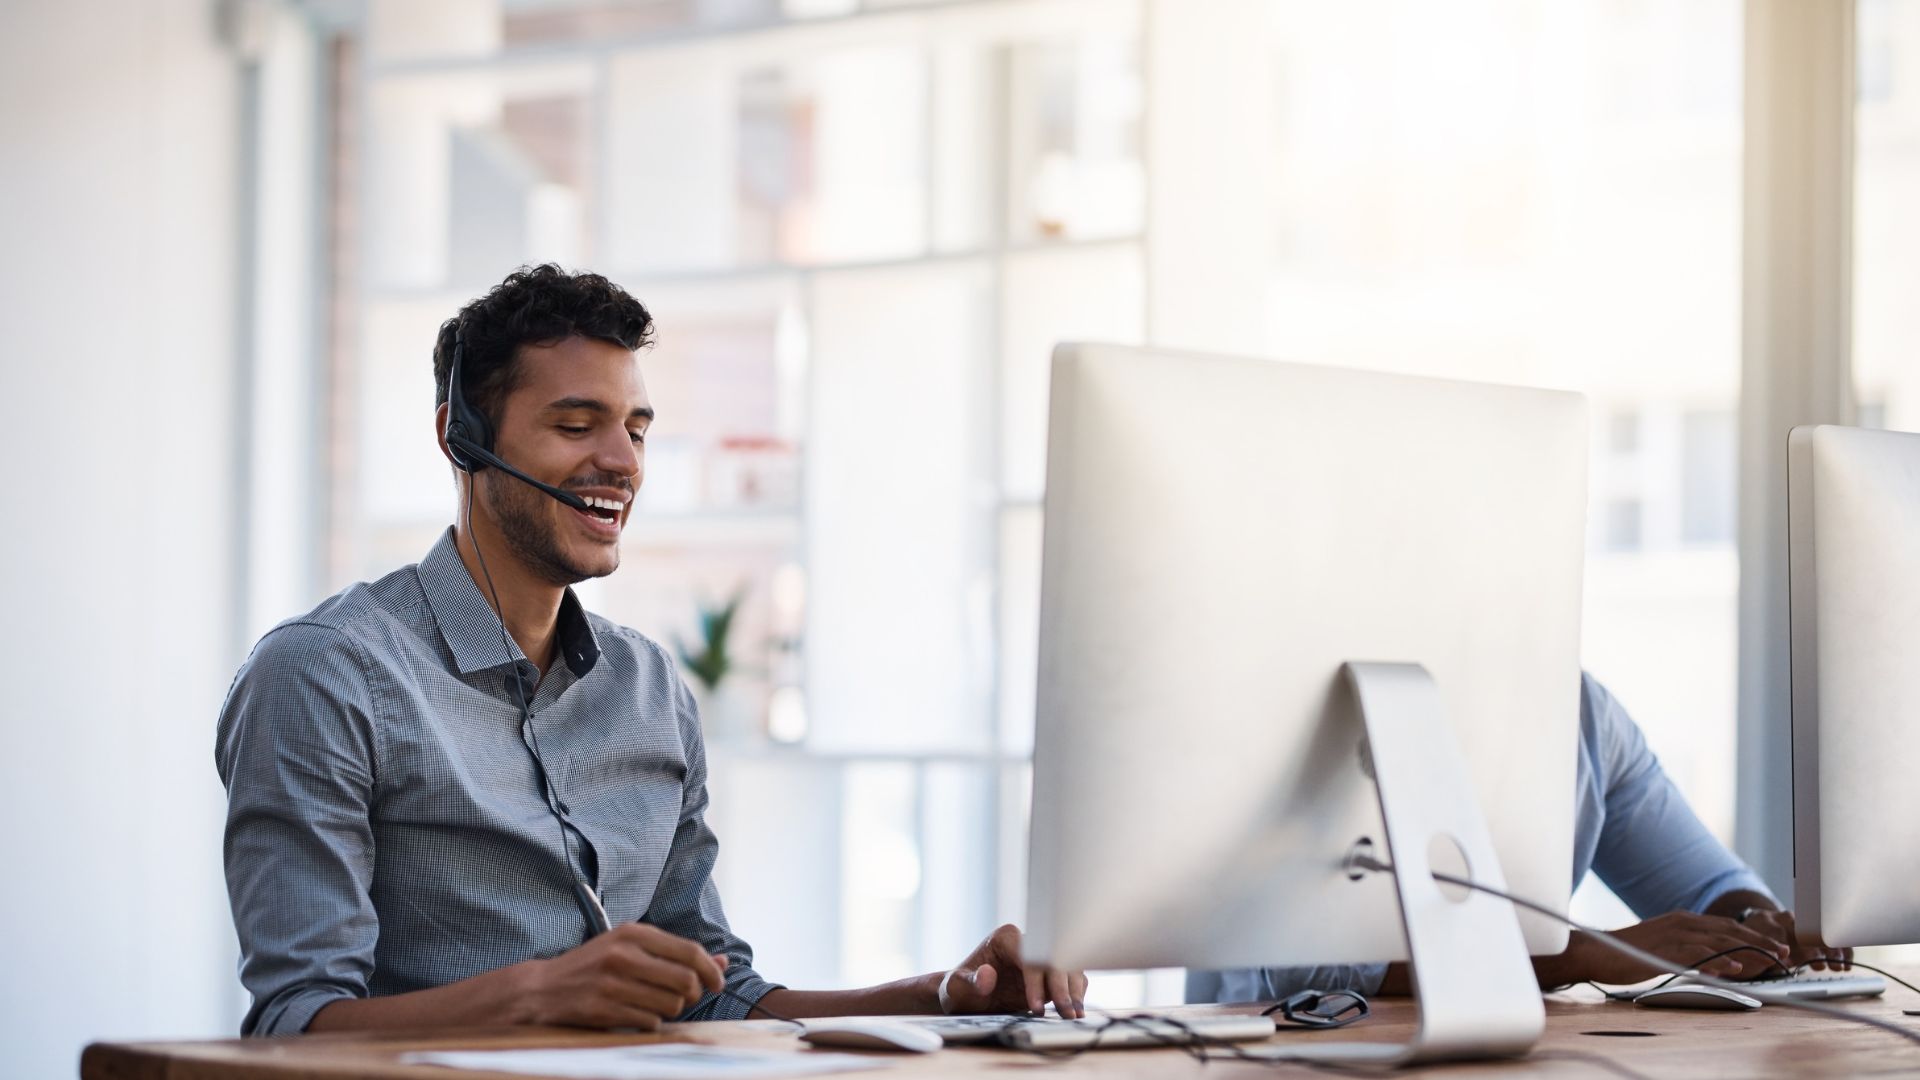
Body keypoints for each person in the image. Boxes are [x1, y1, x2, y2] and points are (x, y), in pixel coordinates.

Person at [217, 265, 1086, 1036]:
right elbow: (296, 1022)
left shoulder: (648, 688)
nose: (621, 461)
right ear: (462, 437)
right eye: (575, 424)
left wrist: (942, 1000)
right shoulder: (324, 675)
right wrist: (541, 995)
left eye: (635, 427)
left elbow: (717, 996)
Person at [1193, 672, 1849, 1003]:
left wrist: (1761, 930)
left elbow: (1707, 885)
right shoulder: (1329, 702)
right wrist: (1578, 956)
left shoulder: (1583, 712)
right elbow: (1309, 968)